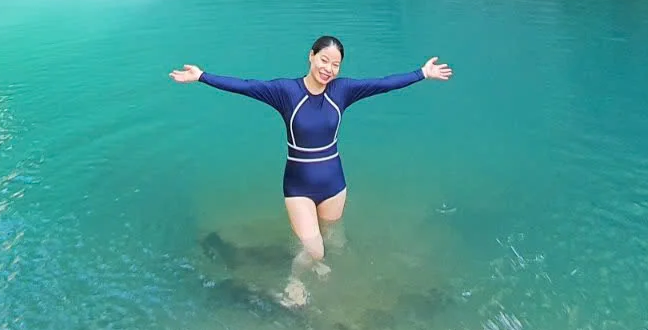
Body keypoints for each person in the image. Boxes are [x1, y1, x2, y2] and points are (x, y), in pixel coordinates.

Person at [171, 35, 452, 305]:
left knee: (334, 239)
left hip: (334, 184)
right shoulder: (286, 92)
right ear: (311, 56)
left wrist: (422, 73)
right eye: (324, 60)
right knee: (314, 249)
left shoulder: (342, 91)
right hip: (299, 187)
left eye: (335, 64)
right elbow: (245, 86)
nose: (328, 69)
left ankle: (317, 266)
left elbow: (382, 84)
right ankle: (294, 280)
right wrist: (202, 76)